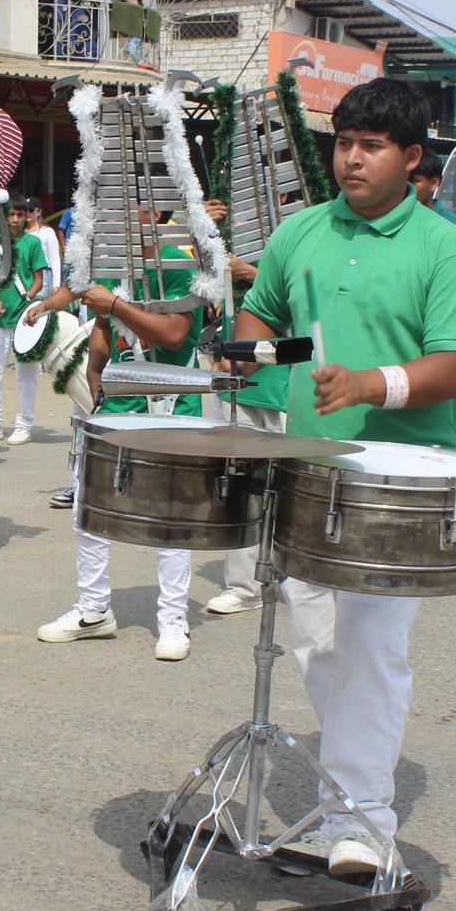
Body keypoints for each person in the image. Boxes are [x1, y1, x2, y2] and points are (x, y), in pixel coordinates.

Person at [232, 77, 456, 877]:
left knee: (373, 647)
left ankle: (363, 822)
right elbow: (261, 314)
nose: (352, 158)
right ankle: (343, 800)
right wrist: (255, 358)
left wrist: (368, 384)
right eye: (344, 142)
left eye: (371, 146)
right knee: (318, 646)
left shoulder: (446, 247)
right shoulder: (300, 231)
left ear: (411, 158)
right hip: (308, 466)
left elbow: (454, 365)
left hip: (401, 479)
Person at [29, 221, 207, 662]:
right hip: (119, 403)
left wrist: (115, 304)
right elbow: (103, 324)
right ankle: (93, 609)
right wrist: (94, 368)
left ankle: (173, 615)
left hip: (172, 402)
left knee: (170, 514)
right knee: (89, 504)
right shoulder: (111, 265)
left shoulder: (181, 266)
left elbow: (173, 334)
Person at [201, 196, 287, 617]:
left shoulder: (298, 234)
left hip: (285, 382)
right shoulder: (225, 232)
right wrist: (204, 231)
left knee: (291, 486)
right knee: (240, 483)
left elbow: (303, 300)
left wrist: (252, 273)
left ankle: (292, 574)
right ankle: (244, 585)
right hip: (238, 380)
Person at [0, 199, 49, 445]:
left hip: (26, 318)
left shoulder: (33, 243)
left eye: (20, 215)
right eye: (11, 214)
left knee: (27, 374)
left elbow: (38, 280)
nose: (15, 220)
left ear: (27, 216)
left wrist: (28, 300)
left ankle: (25, 424)